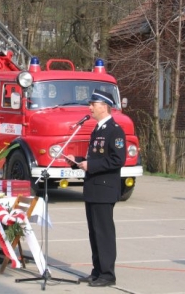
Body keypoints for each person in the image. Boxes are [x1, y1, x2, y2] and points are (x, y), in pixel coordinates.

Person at [66, 89, 126, 287]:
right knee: (94, 232)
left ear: (104, 106)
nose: (89, 107)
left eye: (93, 104)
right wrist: (78, 161)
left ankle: (108, 274)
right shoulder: (97, 129)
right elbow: (96, 158)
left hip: (105, 188)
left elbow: (118, 159)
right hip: (93, 187)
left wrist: (91, 165)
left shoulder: (114, 130)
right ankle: (97, 270)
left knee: (104, 232)